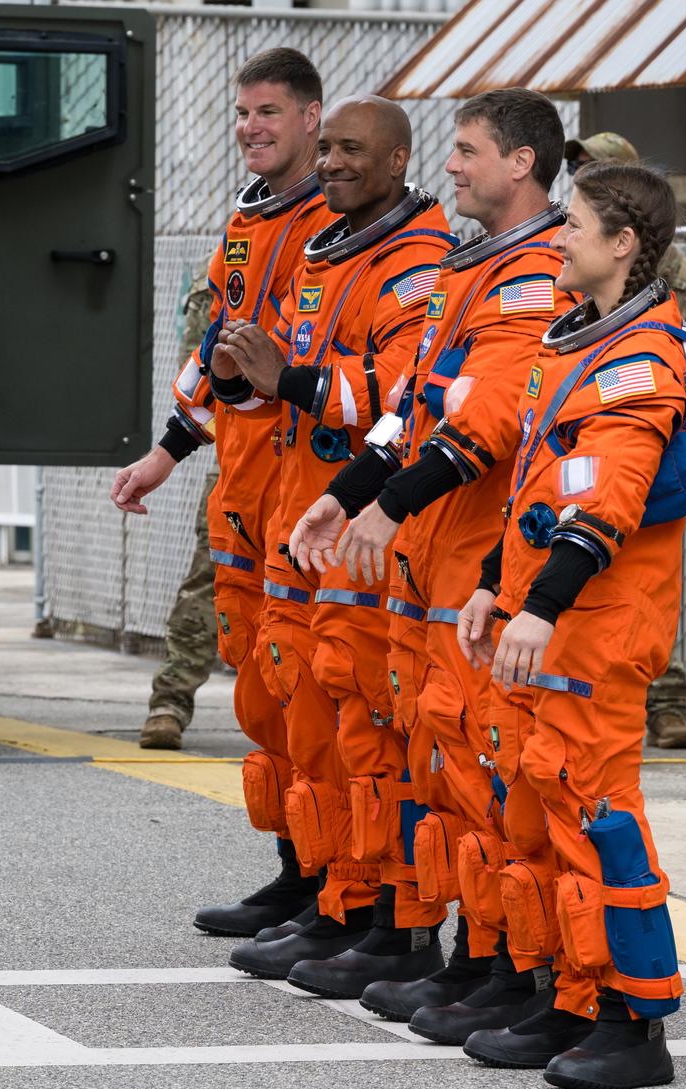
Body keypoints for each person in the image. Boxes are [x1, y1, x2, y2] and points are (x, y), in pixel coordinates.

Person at [285, 88, 575, 1023]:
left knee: (495, 775)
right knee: (436, 761)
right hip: (429, 566)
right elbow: (409, 410)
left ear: (521, 163)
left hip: (477, 567)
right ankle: (460, 947)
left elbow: (486, 422)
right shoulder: (469, 270)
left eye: (466, 150)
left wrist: (388, 507)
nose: (450, 166)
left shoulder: (535, 276)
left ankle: (509, 967)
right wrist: (345, 498)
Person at [454, 162, 686, 1089]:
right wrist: (492, 586)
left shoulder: (641, 358)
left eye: (577, 226)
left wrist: (543, 606)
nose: (560, 238)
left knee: (597, 817)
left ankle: (637, 1025)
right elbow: (530, 493)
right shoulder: (577, 341)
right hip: (548, 615)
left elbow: (608, 501)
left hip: (596, 628)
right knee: (542, 808)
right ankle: (569, 995)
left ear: (622, 245)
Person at [208, 97, 457, 987]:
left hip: (363, 532)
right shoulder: (326, 251)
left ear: (397, 162)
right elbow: (282, 389)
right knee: (298, 712)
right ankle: (324, 891)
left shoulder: (420, 262)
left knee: (370, 731)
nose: (336, 164)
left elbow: (397, 398)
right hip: (303, 514)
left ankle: (381, 918)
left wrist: (294, 377)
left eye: (353, 150)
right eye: (335, 151)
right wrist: (244, 380)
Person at [111, 49, 331, 936]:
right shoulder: (248, 220)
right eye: (243, 114)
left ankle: (339, 891)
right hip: (246, 487)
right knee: (267, 697)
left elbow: (306, 361)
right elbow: (221, 353)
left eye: (268, 112)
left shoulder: (337, 224)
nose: (252, 128)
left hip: (306, 489)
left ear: (312, 118)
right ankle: (296, 872)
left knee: (320, 699)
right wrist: (166, 451)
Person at [564, 131, 686, 751]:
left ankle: (665, 702)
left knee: (629, 560)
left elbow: (675, 323)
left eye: (591, 168)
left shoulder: (650, 282)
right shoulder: (576, 250)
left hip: (631, 413)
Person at [138, 263, 220, 752]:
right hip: (248, 450)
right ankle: (170, 702)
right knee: (211, 577)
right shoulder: (241, 252)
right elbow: (204, 368)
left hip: (337, 451)